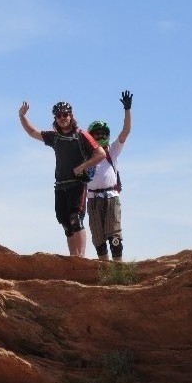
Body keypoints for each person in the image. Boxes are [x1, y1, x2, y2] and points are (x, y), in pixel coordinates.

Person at [19, 100, 105, 257]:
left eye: (65, 114)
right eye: (59, 115)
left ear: (71, 116)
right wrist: (22, 116)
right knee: (65, 222)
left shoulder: (81, 135)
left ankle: (81, 258)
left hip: (77, 184)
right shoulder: (55, 137)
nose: (62, 118)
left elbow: (101, 154)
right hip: (60, 185)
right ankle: (73, 257)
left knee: (75, 219)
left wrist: (82, 167)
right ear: (55, 118)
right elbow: (32, 132)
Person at [86, 90, 133, 261]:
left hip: (111, 197)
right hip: (92, 199)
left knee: (114, 237)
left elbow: (125, 131)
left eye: (103, 134)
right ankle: (106, 274)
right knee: (98, 240)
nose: (100, 136)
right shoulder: (85, 155)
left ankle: (118, 271)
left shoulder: (111, 151)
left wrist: (127, 110)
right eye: (96, 134)